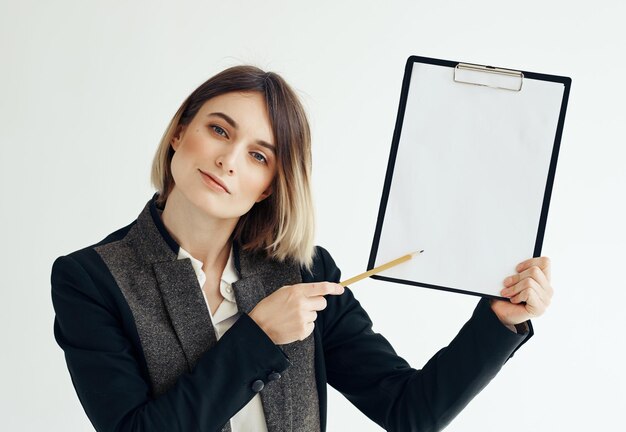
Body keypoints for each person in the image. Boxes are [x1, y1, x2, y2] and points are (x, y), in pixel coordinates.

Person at [51, 65, 553, 432]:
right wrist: (258, 337)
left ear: (269, 184)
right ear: (181, 132)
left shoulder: (303, 271)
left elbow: (411, 411)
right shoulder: (91, 279)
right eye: (218, 129)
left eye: (257, 155)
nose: (228, 160)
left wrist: (500, 320)